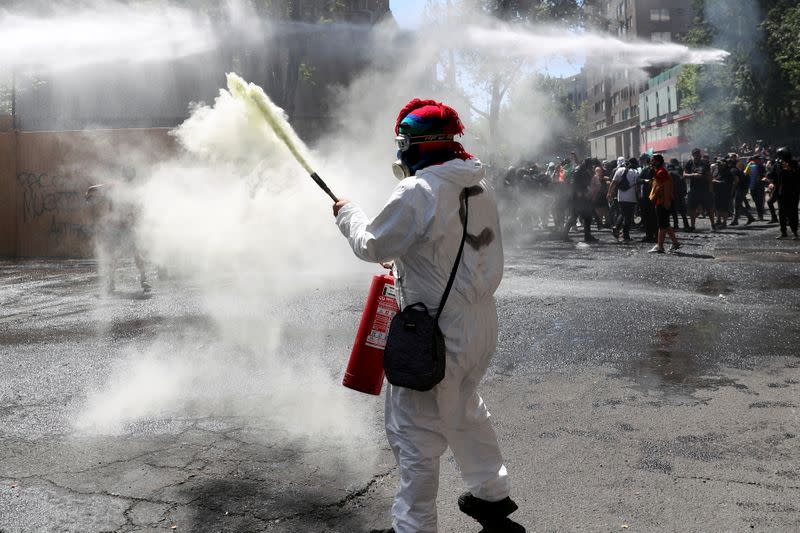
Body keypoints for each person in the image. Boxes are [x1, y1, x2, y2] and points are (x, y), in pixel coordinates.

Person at [333, 99, 523, 533]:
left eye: (403, 142)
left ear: (415, 144)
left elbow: (372, 245)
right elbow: (443, 247)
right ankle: (492, 498)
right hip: (478, 325)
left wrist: (347, 214)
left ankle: (413, 527)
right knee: (464, 409)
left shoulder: (418, 190)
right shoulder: (478, 186)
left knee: (414, 431)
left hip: (436, 331)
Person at [85, 166, 150, 293]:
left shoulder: (131, 190)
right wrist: (90, 191)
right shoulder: (116, 186)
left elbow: (96, 188)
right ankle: (114, 283)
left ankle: (142, 280)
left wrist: (90, 191)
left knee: (134, 254)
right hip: (116, 227)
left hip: (125, 227)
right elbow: (96, 188)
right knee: (117, 256)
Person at [648, 154, 681, 253]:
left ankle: (660, 246)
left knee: (662, 225)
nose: (651, 162)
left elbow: (666, 186)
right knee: (665, 224)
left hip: (663, 201)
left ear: (658, 161)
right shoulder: (659, 171)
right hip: (661, 200)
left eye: (653, 160)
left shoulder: (661, 172)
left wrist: (666, 201)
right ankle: (675, 243)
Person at [769, 147, 800, 240]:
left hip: (792, 192)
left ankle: (795, 232)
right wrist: (770, 182)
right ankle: (783, 232)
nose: (780, 158)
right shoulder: (777, 164)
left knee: (792, 213)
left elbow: (798, 175)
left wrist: (790, 169)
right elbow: (771, 174)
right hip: (780, 192)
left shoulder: (794, 163)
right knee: (781, 213)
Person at [607, 158, 639, 242]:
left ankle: (616, 228)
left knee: (622, 213)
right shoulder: (635, 172)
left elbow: (613, 183)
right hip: (631, 198)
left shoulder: (619, 170)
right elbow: (636, 187)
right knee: (628, 217)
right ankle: (625, 234)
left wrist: (609, 193)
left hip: (621, 197)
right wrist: (639, 195)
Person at [685, 148, 715, 232]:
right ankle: (692, 226)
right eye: (695, 154)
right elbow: (684, 174)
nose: (697, 155)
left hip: (705, 189)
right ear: (692, 154)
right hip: (694, 189)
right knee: (692, 209)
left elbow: (709, 176)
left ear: (700, 154)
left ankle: (713, 224)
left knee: (709, 208)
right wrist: (693, 175)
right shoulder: (690, 163)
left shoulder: (705, 163)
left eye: (698, 154)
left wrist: (711, 189)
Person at [667, 158, 690, 231]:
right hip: (679, 195)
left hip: (672, 195)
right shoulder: (679, 174)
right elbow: (684, 183)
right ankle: (686, 225)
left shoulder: (668, 174)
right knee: (682, 211)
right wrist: (684, 193)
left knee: (673, 211)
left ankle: (676, 225)